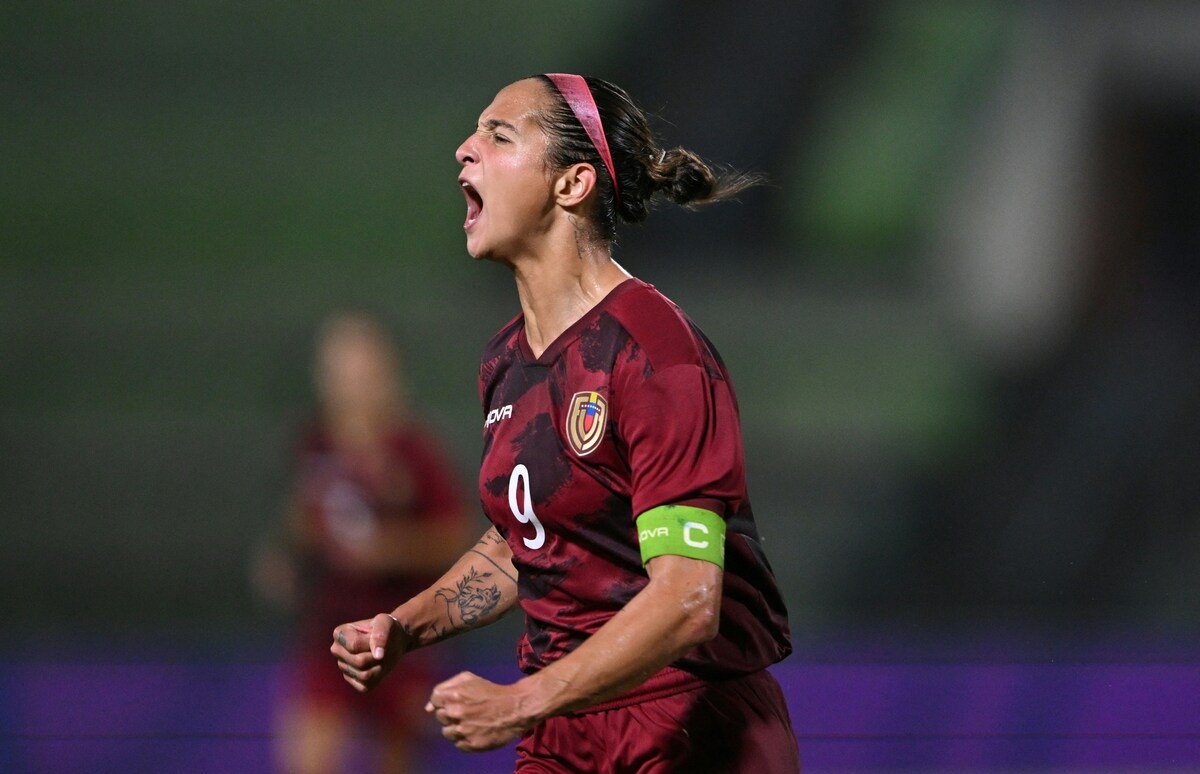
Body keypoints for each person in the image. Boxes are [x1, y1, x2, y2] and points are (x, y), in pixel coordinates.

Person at [330, 74, 799, 773]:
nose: (464, 150)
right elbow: (526, 543)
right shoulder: (505, 363)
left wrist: (522, 700)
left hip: (689, 722)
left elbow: (687, 598)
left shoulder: (654, 351)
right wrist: (403, 627)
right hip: (565, 733)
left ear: (573, 184)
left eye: (498, 135)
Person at [254, 312, 474, 774]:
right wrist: (284, 557)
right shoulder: (315, 444)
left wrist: (386, 550)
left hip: (399, 638)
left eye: (364, 372)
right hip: (327, 635)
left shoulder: (414, 450)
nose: (352, 386)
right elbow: (305, 516)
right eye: (341, 373)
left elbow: (456, 536)